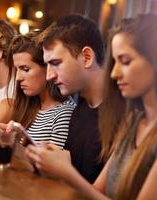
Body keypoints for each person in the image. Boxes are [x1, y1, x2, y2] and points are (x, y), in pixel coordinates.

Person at [26, 14, 157, 199]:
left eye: (126, 61)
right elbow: (97, 191)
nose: (114, 73)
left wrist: (67, 172)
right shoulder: (135, 121)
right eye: (115, 62)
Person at [30, 14, 105, 182]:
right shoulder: (79, 112)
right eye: (47, 64)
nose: (49, 76)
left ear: (87, 57)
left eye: (55, 63)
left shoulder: (123, 115)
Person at [2, 32, 75, 148]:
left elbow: (52, 164)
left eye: (25, 69)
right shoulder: (29, 106)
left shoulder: (63, 113)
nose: (18, 78)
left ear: (48, 68)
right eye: (16, 70)